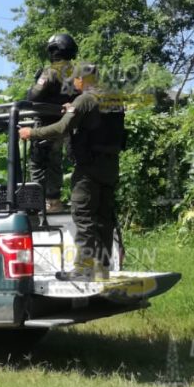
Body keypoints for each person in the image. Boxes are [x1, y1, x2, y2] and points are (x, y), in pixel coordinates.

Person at [19, 63, 126, 281]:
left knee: (83, 216)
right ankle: (102, 268)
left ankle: (82, 269)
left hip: (88, 169)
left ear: (81, 80)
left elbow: (60, 129)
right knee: (104, 218)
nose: (74, 85)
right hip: (110, 167)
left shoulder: (85, 99)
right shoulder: (113, 99)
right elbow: (97, 122)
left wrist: (32, 132)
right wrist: (73, 108)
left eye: (75, 81)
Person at [27, 33, 79, 212]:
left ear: (54, 50)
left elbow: (33, 96)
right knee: (54, 163)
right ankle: (54, 201)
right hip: (63, 126)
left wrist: (34, 83)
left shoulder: (51, 72)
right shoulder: (75, 73)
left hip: (45, 125)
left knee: (38, 163)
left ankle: (39, 203)